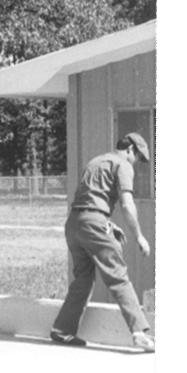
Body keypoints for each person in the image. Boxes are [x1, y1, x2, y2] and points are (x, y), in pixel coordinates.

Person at [50, 133, 155, 352]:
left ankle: (63, 329)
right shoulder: (123, 164)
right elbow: (127, 205)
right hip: (94, 223)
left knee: (84, 279)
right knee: (118, 276)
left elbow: (89, 200)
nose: (136, 162)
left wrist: (107, 224)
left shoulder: (96, 162)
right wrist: (139, 236)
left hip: (75, 223)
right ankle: (139, 332)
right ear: (130, 150)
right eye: (137, 157)